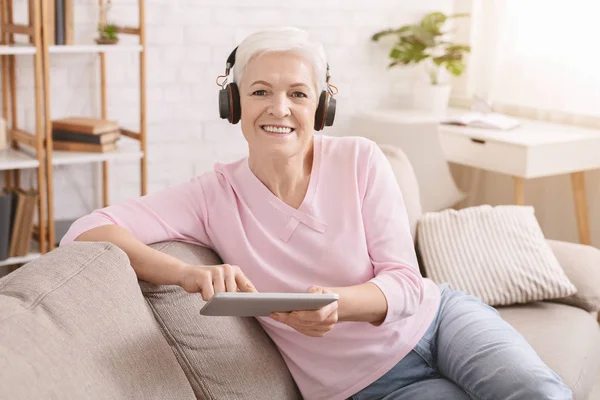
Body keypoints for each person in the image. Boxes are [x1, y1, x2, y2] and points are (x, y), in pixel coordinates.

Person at [60, 27, 572, 400]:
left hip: (441, 320)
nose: (279, 109)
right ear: (233, 103)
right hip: (365, 384)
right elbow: (86, 230)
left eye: (298, 94)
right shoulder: (210, 195)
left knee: (539, 392)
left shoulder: (360, 159)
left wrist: (337, 305)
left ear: (321, 107)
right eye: (260, 92)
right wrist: (188, 274)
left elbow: (407, 282)